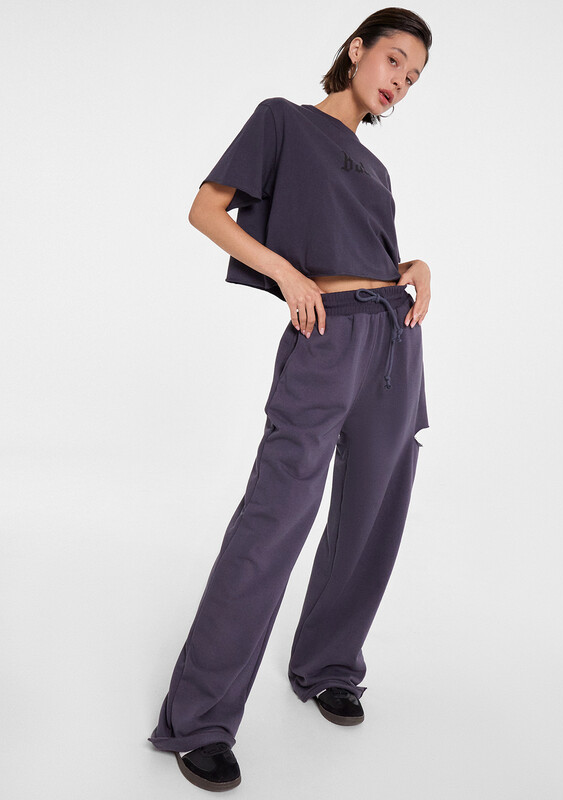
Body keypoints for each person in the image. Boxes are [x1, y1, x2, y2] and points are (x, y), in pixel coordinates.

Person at [148, 7, 432, 792]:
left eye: (413, 79)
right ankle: (200, 717)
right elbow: (207, 209)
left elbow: (369, 257)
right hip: (326, 336)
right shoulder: (283, 121)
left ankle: (328, 664)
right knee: (273, 519)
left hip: (395, 339)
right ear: (357, 49)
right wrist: (286, 274)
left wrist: (414, 268)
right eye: (394, 61)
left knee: (372, 515)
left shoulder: (375, 171)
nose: (400, 83)